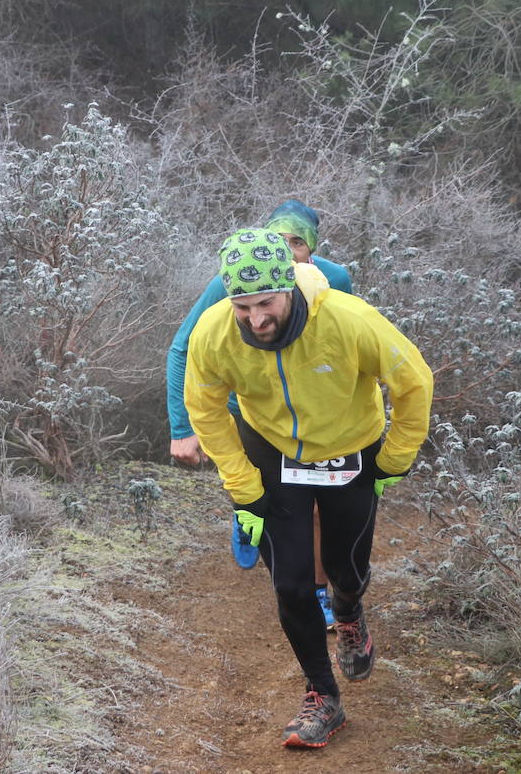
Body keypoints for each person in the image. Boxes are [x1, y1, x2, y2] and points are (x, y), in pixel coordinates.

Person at [185, 229, 432, 749]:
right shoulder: (214, 333)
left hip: (350, 450)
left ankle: (348, 613)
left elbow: (414, 382)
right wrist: (244, 488)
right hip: (272, 451)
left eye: (266, 303)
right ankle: (324, 697)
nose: (256, 319)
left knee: (348, 567)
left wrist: (394, 460)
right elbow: (204, 407)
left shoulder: (347, 319)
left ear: (290, 289)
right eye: (242, 306)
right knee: (291, 584)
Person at [166, 200, 351, 624]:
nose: (286, 252)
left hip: (306, 412)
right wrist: (183, 427)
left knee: (318, 508)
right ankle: (245, 512)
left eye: (297, 242)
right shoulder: (233, 282)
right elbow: (182, 348)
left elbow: (347, 344)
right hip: (242, 409)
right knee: (252, 489)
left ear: (313, 248)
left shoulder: (335, 279)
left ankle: (320, 593)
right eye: (278, 241)